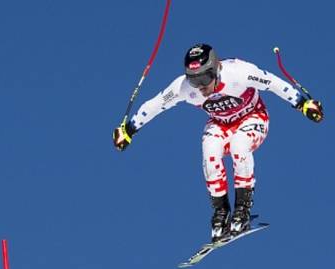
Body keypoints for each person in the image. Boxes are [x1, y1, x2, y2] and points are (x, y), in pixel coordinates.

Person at [113, 43, 323, 243]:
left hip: (253, 116)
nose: (201, 87)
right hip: (220, 123)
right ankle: (221, 211)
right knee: (210, 151)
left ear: (216, 68)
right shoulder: (183, 88)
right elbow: (156, 104)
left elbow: (273, 83)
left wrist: (303, 104)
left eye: (204, 78)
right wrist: (129, 129)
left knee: (239, 147)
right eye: (194, 80)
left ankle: (242, 208)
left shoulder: (239, 72)